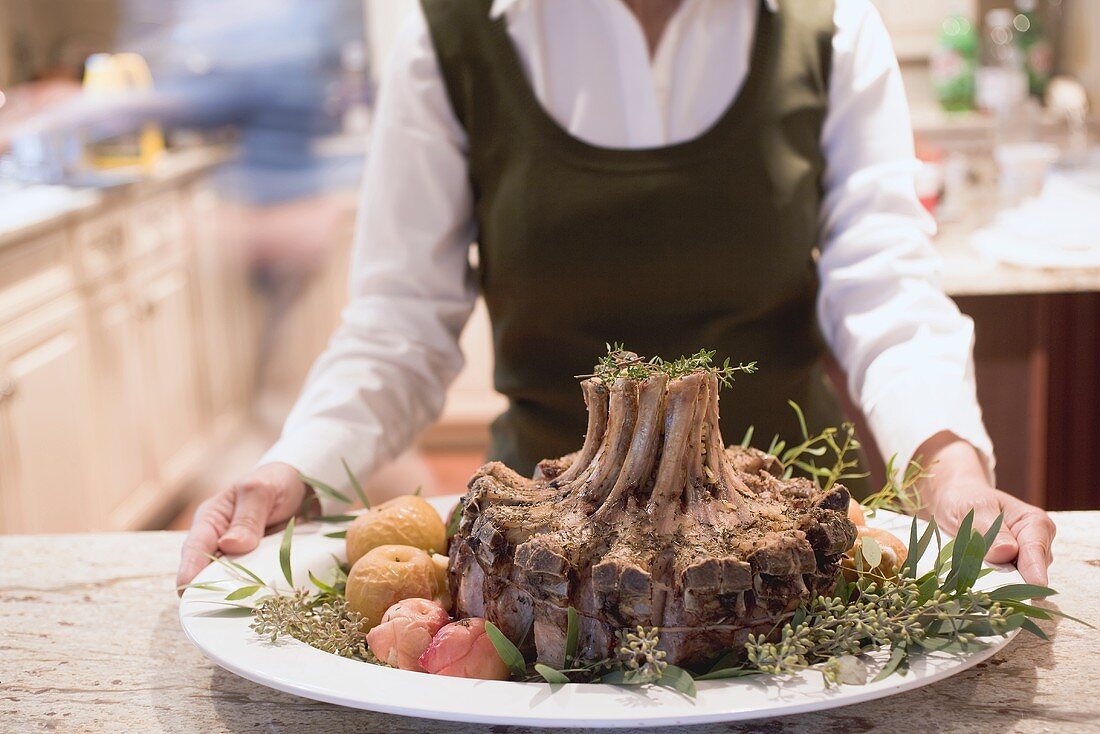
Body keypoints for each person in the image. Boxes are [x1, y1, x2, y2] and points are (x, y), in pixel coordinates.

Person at [177, 0, 1056, 590]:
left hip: (796, 558)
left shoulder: (827, 23)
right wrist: (294, 467)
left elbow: (885, 281)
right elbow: (398, 322)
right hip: (548, 571)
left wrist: (954, 474)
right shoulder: (455, 34)